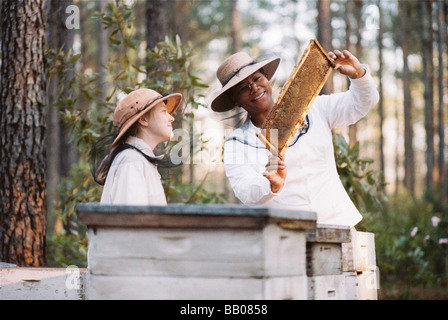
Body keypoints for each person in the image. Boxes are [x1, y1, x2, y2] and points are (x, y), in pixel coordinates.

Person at [210, 49, 379, 227]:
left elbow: (361, 104)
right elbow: (245, 190)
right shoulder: (236, 143)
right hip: (285, 235)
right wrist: (271, 184)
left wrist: (359, 75)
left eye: (256, 79)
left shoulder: (313, 107)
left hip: (339, 224)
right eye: (243, 87)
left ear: (266, 78)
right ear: (235, 100)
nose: (254, 88)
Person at [90, 88, 183, 205]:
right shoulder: (132, 161)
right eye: (164, 111)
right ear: (143, 119)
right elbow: (131, 220)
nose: (171, 118)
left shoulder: (137, 160)